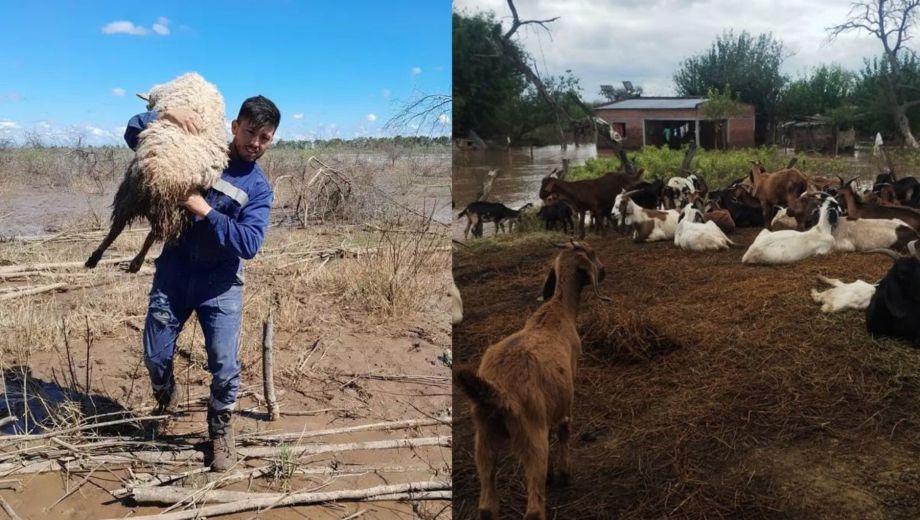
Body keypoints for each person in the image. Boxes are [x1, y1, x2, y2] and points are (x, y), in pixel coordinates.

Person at [124, 95, 280, 470]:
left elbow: (249, 243)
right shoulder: (199, 149)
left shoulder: (258, 188)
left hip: (221, 284)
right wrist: (166, 114)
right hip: (174, 272)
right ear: (234, 127)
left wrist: (204, 209)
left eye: (265, 137)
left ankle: (220, 428)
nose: (255, 143)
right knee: (154, 355)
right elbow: (134, 133)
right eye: (249, 133)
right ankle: (166, 394)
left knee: (224, 365)